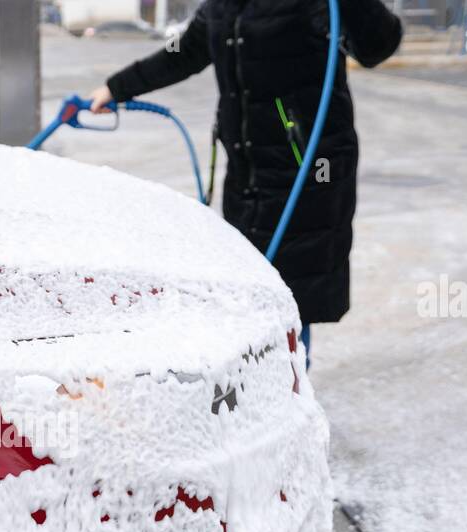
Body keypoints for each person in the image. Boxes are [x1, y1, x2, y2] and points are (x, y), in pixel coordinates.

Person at [89, 0, 402, 359]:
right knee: (250, 299)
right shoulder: (221, 6)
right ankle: (267, 399)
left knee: (287, 305)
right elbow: (182, 52)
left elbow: (379, 45)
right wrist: (117, 87)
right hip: (247, 176)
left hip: (306, 176)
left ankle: (287, 400)